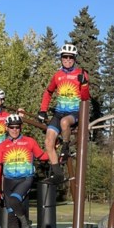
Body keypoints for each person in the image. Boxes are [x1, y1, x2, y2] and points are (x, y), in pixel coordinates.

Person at [0, 113, 50, 228]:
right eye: (12, 127)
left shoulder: (30, 142)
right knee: (11, 214)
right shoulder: (2, 145)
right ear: (7, 128)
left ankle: (25, 224)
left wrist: (54, 153)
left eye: (17, 127)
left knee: (14, 200)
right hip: (8, 181)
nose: (15, 130)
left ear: (21, 127)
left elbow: (42, 156)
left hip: (25, 179)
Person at [37, 43, 90, 183]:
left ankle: (65, 147)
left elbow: (85, 98)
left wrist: (84, 85)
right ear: (61, 58)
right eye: (65, 57)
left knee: (65, 122)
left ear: (74, 59)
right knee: (48, 142)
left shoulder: (81, 73)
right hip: (59, 112)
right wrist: (43, 109)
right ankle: (57, 173)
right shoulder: (57, 76)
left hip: (75, 112)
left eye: (70, 57)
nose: (67, 60)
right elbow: (48, 92)